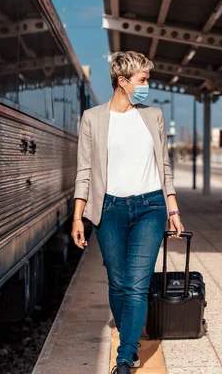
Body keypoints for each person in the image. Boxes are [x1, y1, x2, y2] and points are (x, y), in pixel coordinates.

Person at [71, 51, 184, 374]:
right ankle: (129, 335)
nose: (147, 85)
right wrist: (78, 217)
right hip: (109, 209)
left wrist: (173, 208)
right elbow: (85, 170)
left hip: (150, 206)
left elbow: (164, 165)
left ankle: (125, 356)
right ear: (122, 82)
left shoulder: (153, 116)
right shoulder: (93, 118)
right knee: (118, 282)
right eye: (143, 79)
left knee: (137, 284)